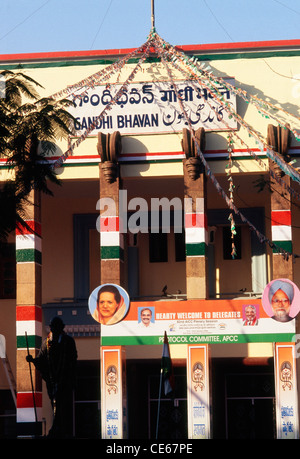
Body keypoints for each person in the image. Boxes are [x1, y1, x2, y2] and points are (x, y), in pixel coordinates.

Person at [26, 316, 77, 438]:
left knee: (62, 405)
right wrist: (32, 360)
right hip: (52, 379)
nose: (55, 329)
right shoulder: (46, 342)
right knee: (54, 403)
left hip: (64, 379)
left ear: (62, 328)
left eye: (58, 327)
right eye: (53, 327)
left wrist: (70, 377)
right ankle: (56, 428)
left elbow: (73, 359)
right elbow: (41, 358)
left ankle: (60, 429)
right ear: (51, 327)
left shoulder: (68, 341)